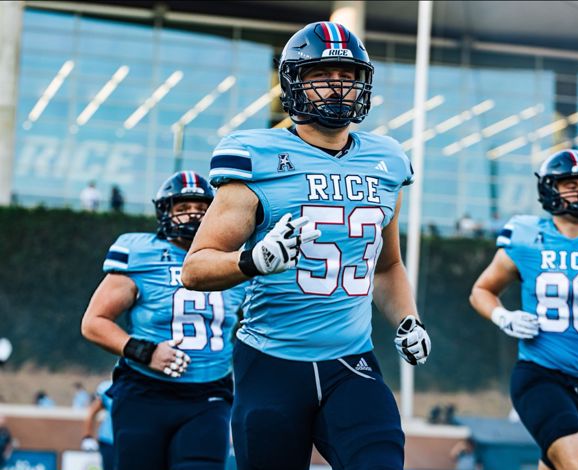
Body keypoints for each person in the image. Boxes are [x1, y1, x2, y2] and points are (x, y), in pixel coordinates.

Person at [181, 21, 431, 470]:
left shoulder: (387, 160)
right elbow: (195, 269)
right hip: (271, 364)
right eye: (322, 75)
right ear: (293, 82)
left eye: (347, 76)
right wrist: (253, 260)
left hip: (351, 362)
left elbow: (386, 266)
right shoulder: (256, 156)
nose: (338, 86)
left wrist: (408, 320)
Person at [469, 149, 578, 470]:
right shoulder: (527, 238)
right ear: (550, 189)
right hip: (539, 374)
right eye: (571, 184)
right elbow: (481, 291)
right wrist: (503, 316)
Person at [81, 171, 245, 470]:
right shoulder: (140, 252)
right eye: (183, 208)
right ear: (165, 213)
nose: (193, 215)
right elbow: (94, 322)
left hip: (210, 393)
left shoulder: (234, 258)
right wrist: (145, 351)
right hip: (146, 392)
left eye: (202, 208)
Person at [81, 380, 114, 470]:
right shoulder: (109, 388)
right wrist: (88, 436)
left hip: (129, 441)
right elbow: (91, 413)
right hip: (109, 440)